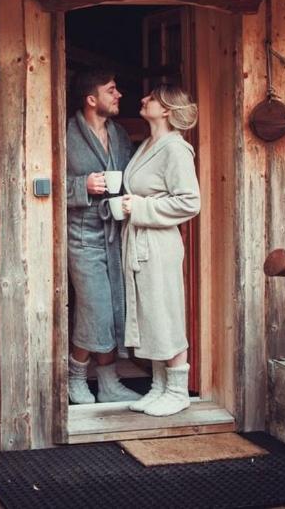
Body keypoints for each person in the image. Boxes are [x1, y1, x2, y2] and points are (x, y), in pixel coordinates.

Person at [119, 83, 201, 417]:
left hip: (159, 242)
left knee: (164, 312)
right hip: (140, 239)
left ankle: (178, 390)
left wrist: (139, 208)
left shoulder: (175, 150)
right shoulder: (149, 144)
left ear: (166, 109)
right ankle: (158, 387)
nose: (143, 99)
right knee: (149, 313)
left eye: (151, 98)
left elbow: (190, 201)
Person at [66, 70, 140, 404]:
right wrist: (83, 186)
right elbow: (42, 182)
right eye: (111, 90)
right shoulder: (65, 134)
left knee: (114, 308)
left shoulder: (120, 134)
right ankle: (75, 376)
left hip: (115, 233)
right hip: (83, 234)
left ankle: (109, 382)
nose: (119, 95)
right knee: (95, 308)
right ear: (91, 99)